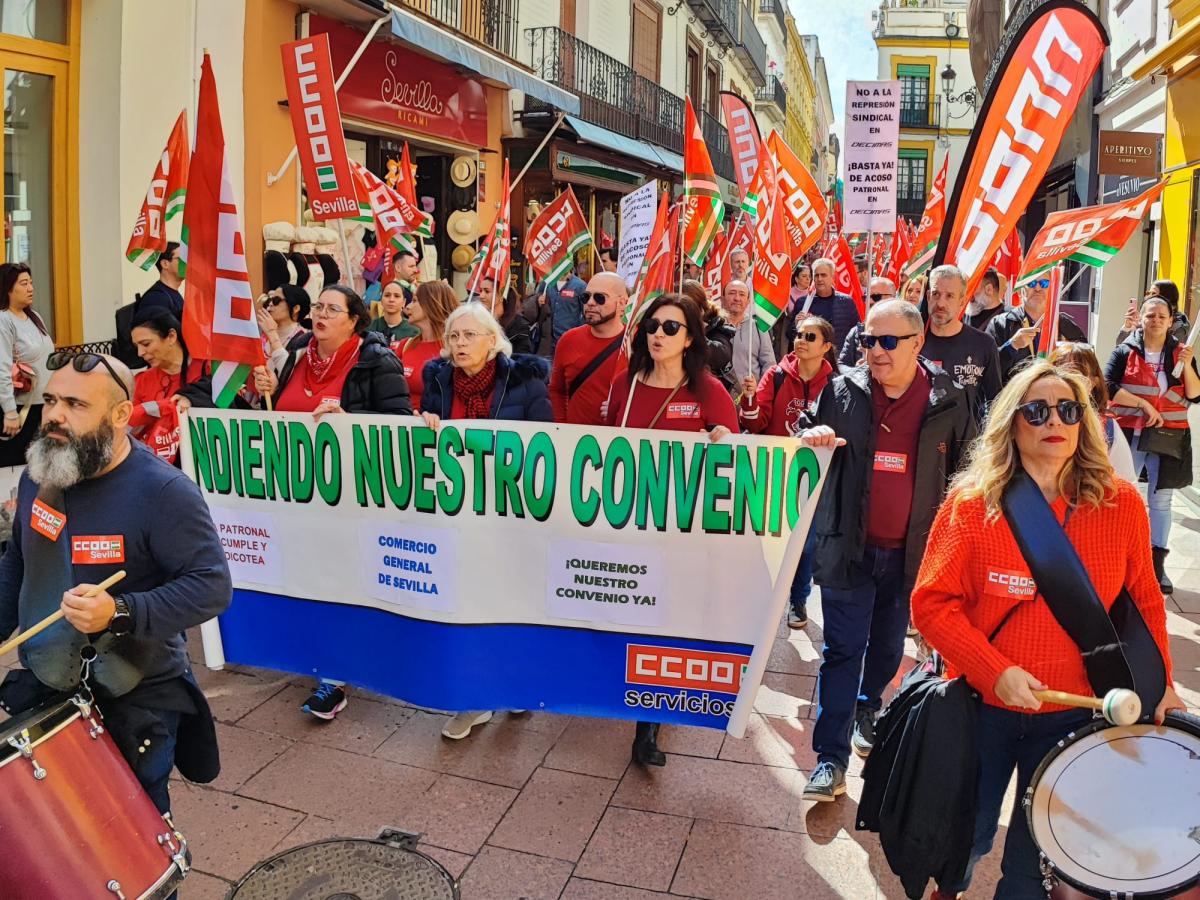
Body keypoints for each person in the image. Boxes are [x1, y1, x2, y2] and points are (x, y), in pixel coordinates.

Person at [911, 360, 1181, 898]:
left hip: (1075, 714)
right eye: (1036, 410)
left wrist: (1163, 684)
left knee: (1037, 862)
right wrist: (993, 670)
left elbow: (1146, 604)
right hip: (981, 707)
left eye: (1068, 409)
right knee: (964, 838)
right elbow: (932, 605)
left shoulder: (1122, 504)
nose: (1053, 420)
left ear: (1085, 422)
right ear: (1012, 422)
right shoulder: (971, 504)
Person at [0, 352, 232, 819]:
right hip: (49, 686)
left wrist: (120, 611)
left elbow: (211, 586)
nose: (55, 415)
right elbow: (18, 564)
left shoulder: (163, 491)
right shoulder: (39, 471)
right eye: (49, 400)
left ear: (121, 414)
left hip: (137, 698)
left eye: (75, 404)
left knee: (132, 844)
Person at [799, 299, 976, 801]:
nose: (874, 351)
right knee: (840, 651)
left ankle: (866, 705)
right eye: (868, 340)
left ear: (918, 343)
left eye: (888, 341)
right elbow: (806, 436)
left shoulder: (950, 398)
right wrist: (810, 436)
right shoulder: (841, 391)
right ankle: (828, 758)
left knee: (885, 650)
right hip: (848, 551)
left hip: (912, 558)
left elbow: (969, 473)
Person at [250, 285, 412, 720]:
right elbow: (280, 413)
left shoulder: (376, 361)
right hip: (297, 498)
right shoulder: (300, 354)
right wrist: (266, 387)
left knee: (339, 580)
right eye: (318, 306)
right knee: (308, 578)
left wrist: (351, 422)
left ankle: (333, 681)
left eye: (332, 309)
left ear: (354, 320)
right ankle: (320, 658)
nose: (321, 314)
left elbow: (400, 424)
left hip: (350, 502)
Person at [606, 293, 738, 767]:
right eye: (652, 326)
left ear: (689, 339)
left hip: (685, 537)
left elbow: (734, 464)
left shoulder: (708, 391)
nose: (658, 334)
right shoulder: (624, 385)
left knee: (665, 621)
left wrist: (725, 441)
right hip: (630, 527)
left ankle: (648, 726)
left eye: (670, 328)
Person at [420, 304, 551, 740]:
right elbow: (414, 438)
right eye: (453, 336)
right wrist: (423, 424)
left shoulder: (525, 380)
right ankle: (473, 699)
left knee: (508, 603)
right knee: (463, 603)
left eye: (469, 335)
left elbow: (545, 442)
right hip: (455, 518)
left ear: (492, 340)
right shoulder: (436, 381)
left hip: (510, 516)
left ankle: (513, 683)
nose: (459, 344)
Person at [740, 314, 838, 628]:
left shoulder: (837, 384)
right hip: (774, 472)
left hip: (813, 478)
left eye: (810, 337)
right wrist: (750, 399)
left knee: (805, 545)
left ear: (826, 346)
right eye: (798, 335)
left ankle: (798, 600)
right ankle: (763, 599)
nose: (800, 341)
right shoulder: (776, 375)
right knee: (766, 541)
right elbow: (754, 423)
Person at [1105, 295, 1200, 594]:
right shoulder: (1125, 350)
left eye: (1162, 316)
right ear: (1142, 319)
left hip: (1168, 437)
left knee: (1161, 501)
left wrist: (1186, 365)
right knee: (1122, 495)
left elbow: (1195, 394)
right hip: (1130, 434)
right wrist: (1143, 406)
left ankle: (1156, 567)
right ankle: (1118, 559)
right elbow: (1107, 386)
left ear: (1171, 320)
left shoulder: (1181, 353)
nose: (1156, 320)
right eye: (1150, 315)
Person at [921, 264, 1003, 420]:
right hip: (920, 440)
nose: (941, 303)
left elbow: (995, 401)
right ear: (928, 296)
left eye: (950, 296)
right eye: (936, 294)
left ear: (962, 301)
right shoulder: (912, 342)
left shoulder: (984, 344)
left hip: (966, 441)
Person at [1049, 342, 1136, 483]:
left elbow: (1128, 484)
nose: (1064, 380)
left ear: (1093, 382)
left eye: (1074, 374)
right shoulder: (1030, 419)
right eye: (1056, 372)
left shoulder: (1107, 427)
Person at [549, 271, 629, 425]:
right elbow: (556, 390)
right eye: (586, 297)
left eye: (600, 298)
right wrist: (561, 427)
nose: (590, 303)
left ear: (622, 303)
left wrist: (624, 406)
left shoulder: (636, 342)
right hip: (574, 442)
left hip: (619, 443)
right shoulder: (568, 340)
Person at [128, 311, 207, 458]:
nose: (140, 353)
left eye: (146, 344)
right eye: (136, 346)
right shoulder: (140, 381)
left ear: (171, 336)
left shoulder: (206, 370)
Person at [0, 262, 54, 467]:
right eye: (23, 283)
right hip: (20, 408)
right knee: (17, 466)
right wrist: (10, 412)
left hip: (42, 405)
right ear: (8, 288)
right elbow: (2, 369)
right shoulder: (4, 320)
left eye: (31, 283)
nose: (30, 288)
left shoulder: (34, 317)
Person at [985, 275, 1086, 382]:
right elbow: (985, 370)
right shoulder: (1000, 324)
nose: (1037, 288)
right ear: (1020, 291)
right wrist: (1011, 346)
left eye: (1044, 283)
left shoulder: (1067, 327)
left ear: (1052, 290)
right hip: (1016, 396)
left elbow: (1085, 369)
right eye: (1031, 283)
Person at [395, 281, 457, 412]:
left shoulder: (454, 348)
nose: (408, 307)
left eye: (415, 301)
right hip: (401, 426)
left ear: (431, 305)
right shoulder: (405, 345)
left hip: (435, 427)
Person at [721, 279, 776, 397]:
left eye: (742, 294)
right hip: (719, 397)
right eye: (732, 293)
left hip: (750, 399)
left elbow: (769, 365)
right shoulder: (712, 327)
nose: (737, 298)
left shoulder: (757, 327)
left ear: (748, 301)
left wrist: (759, 390)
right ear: (723, 300)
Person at [681, 280, 735, 391]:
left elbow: (720, 357)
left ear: (699, 307)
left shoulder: (717, 328)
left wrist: (694, 328)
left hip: (706, 392)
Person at [807, 257, 862, 354]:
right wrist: (797, 324)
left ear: (832, 277)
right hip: (813, 358)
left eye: (823, 275)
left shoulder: (846, 302)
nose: (819, 279)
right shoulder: (804, 303)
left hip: (840, 358)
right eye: (816, 275)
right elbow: (791, 335)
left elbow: (856, 331)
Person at [839, 276, 897, 368]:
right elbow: (842, 365)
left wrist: (873, 361)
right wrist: (857, 371)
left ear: (893, 298)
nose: (870, 301)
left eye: (876, 297)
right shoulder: (856, 332)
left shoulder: (904, 330)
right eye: (866, 297)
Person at [535, 267, 587, 359]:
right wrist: (539, 301)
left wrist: (579, 334)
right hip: (548, 343)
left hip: (570, 342)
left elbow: (586, 313)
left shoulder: (581, 286)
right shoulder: (547, 283)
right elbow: (537, 302)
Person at [479, 275, 533, 355]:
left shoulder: (519, 325)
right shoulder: (478, 320)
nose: (481, 295)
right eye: (480, 291)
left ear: (501, 295)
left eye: (487, 291)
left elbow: (522, 359)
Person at [257, 284, 311, 363]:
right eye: (269, 300)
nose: (270, 304)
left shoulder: (302, 341)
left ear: (295, 308)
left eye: (276, 300)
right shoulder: (265, 333)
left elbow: (286, 370)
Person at [138, 242, 185, 319]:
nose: (186, 263)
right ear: (165, 264)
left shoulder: (172, 294)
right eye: (181, 259)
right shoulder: (156, 298)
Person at [368, 279, 420, 346]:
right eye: (387, 295)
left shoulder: (414, 331)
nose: (391, 300)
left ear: (404, 302)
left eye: (397, 296)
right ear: (381, 300)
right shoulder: (370, 328)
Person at [964, 267, 1006, 332]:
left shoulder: (1010, 318)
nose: (968, 294)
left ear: (989, 289)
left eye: (972, 288)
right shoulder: (966, 315)